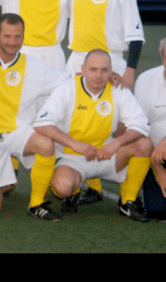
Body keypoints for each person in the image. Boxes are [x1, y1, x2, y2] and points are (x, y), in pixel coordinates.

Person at [0, 13, 70, 221]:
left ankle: (36, 204)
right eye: (7, 36)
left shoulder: (34, 66)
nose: (13, 42)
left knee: (45, 144)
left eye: (18, 36)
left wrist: (100, 76)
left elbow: (68, 80)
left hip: (16, 133)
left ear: (23, 36)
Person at [34, 49, 151, 222]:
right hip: (72, 157)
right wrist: (75, 144)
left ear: (111, 71)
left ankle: (128, 201)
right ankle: (73, 192)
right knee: (62, 188)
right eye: (93, 69)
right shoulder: (67, 88)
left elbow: (141, 124)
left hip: (107, 154)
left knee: (144, 144)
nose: (98, 75)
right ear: (83, 69)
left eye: (104, 70)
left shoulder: (118, 89)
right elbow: (41, 123)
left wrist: (116, 143)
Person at [66, 0, 144, 89]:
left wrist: (129, 72)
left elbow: (136, 37)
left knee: (109, 104)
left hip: (111, 63)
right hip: (76, 62)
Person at [133, 33, 166, 223]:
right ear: (162, 59)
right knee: (159, 210)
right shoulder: (146, 80)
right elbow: (138, 130)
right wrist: (157, 169)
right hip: (156, 157)